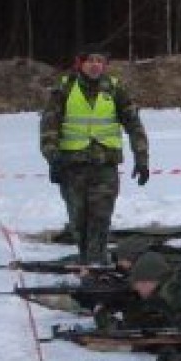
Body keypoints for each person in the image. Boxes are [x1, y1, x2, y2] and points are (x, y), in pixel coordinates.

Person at [39, 44, 150, 264]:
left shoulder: (115, 89)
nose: (95, 65)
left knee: (100, 219)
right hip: (72, 168)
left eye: (100, 61)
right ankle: (86, 261)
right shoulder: (64, 88)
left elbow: (134, 125)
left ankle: (96, 264)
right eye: (90, 60)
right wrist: (53, 158)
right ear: (80, 63)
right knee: (78, 222)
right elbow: (49, 127)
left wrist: (142, 160)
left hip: (105, 167)